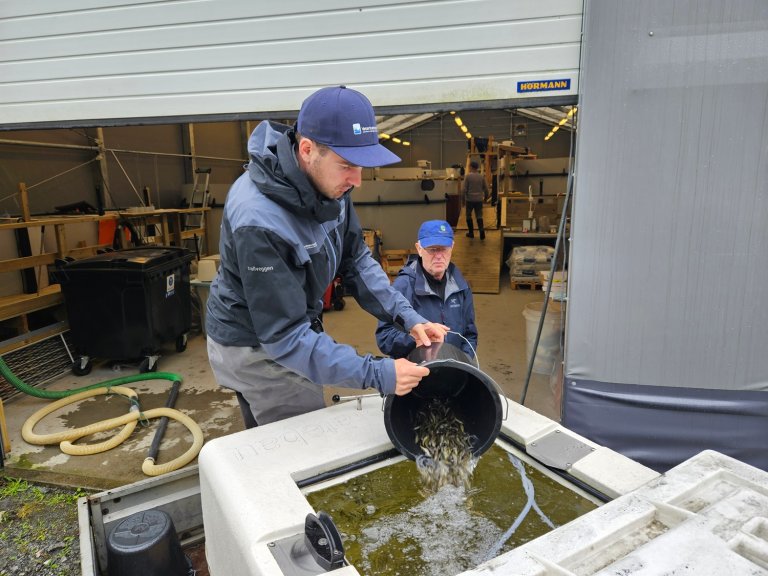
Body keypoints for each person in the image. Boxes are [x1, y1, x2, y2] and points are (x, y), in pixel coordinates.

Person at [205, 85, 449, 428]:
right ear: (307, 150)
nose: (358, 181)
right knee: (300, 441)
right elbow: (284, 337)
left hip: (291, 326)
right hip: (255, 347)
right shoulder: (258, 219)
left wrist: (407, 317)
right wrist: (378, 373)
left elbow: (356, 258)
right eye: (348, 165)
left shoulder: (330, 185)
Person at [376, 220, 478, 360]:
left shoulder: (461, 286)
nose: (438, 256)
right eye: (432, 249)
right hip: (416, 374)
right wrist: (416, 337)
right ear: (419, 249)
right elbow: (384, 337)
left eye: (444, 249)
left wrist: (463, 364)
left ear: (452, 247)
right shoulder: (403, 286)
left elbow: (469, 335)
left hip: (453, 371)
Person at [462, 160, 489, 239]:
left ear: (471, 167)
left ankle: (471, 233)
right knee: (479, 215)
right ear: (477, 168)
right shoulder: (481, 176)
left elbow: (464, 190)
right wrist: (486, 198)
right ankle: (481, 231)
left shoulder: (467, 176)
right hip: (479, 200)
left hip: (469, 200)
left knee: (468, 216)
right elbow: (486, 189)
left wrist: (463, 201)